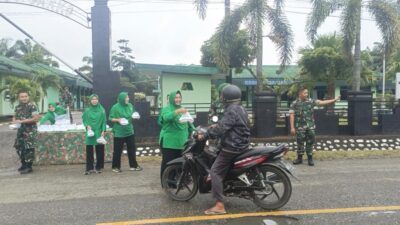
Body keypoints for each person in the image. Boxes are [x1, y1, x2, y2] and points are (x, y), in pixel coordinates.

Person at [198, 84, 250, 215]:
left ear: (227, 97)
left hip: (232, 146)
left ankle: (219, 205)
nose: (221, 97)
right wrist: (216, 125)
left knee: (215, 172)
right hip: (241, 143)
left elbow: (221, 129)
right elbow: (230, 124)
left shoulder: (231, 109)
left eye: (222, 95)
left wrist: (206, 134)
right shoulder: (240, 108)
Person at [289, 87, 340, 166]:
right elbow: (291, 115)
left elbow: (322, 102)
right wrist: (292, 127)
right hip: (299, 127)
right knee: (300, 143)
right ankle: (299, 158)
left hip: (310, 126)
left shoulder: (311, 101)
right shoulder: (294, 103)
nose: (306, 94)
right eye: (305, 93)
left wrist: (334, 99)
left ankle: (310, 159)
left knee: (310, 142)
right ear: (300, 94)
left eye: (307, 93)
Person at [159, 91, 192, 181]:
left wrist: (195, 130)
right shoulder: (166, 109)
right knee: (168, 163)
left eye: (179, 97)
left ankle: (177, 182)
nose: (178, 99)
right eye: (176, 97)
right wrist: (177, 111)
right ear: (172, 98)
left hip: (181, 141)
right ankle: (166, 182)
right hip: (169, 141)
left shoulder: (183, 109)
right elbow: (166, 118)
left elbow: (189, 123)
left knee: (179, 163)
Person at [109, 92, 142, 172]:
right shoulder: (115, 107)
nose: (128, 99)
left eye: (128, 97)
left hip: (129, 131)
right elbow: (110, 118)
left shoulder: (130, 106)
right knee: (117, 150)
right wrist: (118, 120)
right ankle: (115, 167)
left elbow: (134, 114)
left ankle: (133, 166)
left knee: (132, 149)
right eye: (126, 97)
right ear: (122, 99)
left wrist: (136, 116)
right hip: (119, 132)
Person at [12, 90, 40, 174]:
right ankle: (23, 164)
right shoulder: (17, 107)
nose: (24, 98)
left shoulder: (32, 106)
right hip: (20, 130)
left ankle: (29, 166)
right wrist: (14, 122)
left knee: (29, 148)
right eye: (22, 97)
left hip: (30, 131)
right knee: (19, 147)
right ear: (19, 98)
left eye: (25, 96)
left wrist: (21, 121)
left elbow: (36, 119)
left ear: (28, 97)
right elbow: (14, 117)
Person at [82, 94, 107, 175]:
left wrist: (103, 130)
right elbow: (84, 120)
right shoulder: (87, 110)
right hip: (90, 132)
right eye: (92, 99)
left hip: (99, 131)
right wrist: (87, 126)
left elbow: (104, 121)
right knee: (89, 149)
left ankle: (98, 167)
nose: (94, 100)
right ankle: (89, 168)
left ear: (98, 100)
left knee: (99, 149)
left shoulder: (102, 110)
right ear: (90, 100)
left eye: (96, 99)